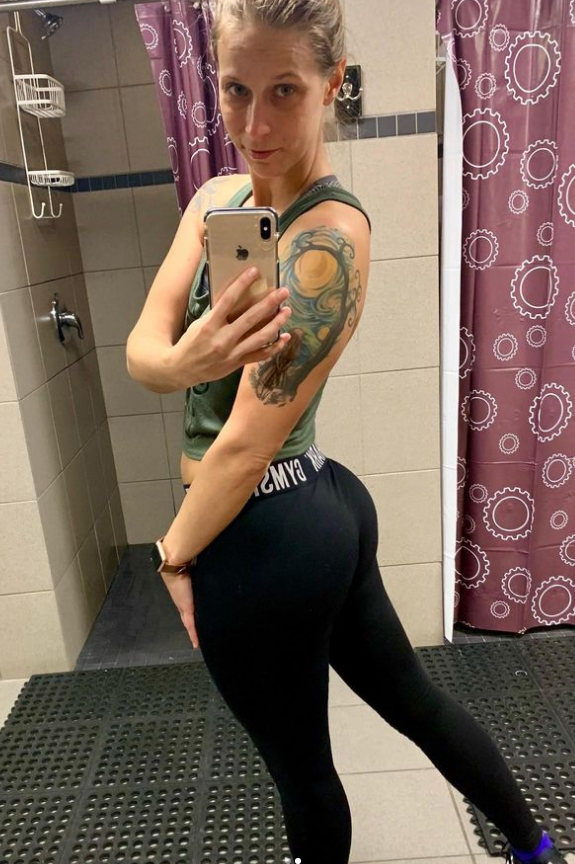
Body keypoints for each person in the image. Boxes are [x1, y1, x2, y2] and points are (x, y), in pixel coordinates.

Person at [127, 2, 570, 863]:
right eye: (235, 90)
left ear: (331, 84)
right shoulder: (216, 201)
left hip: (260, 532)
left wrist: (174, 556)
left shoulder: (327, 237)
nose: (255, 125)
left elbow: (245, 444)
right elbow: (141, 350)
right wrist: (185, 362)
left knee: (302, 770)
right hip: (317, 503)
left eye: (284, 91)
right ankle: (535, 851)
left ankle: (531, 848)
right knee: (412, 703)